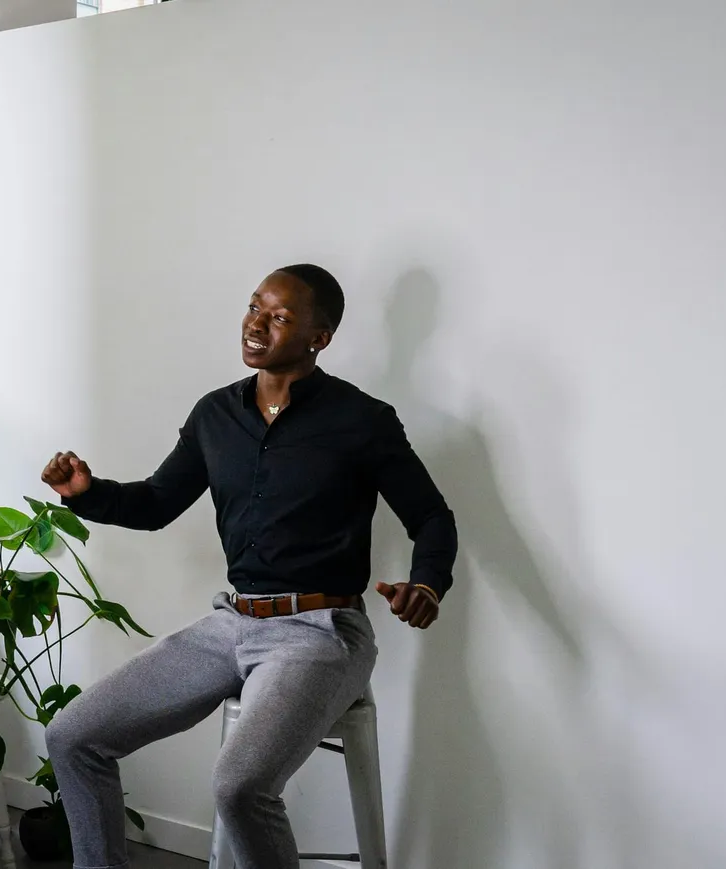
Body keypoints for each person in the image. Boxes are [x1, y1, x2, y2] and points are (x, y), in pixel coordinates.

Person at [40, 264, 458, 869]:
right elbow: (157, 504)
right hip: (230, 624)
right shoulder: (216, 416)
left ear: (320, 337)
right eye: (254, 307)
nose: (256, 325)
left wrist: (427, 584)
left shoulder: (362, 420)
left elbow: (432, 517)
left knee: (238, 787)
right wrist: (87, 492)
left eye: (280, 317)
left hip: (320, 634)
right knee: (73, 737)